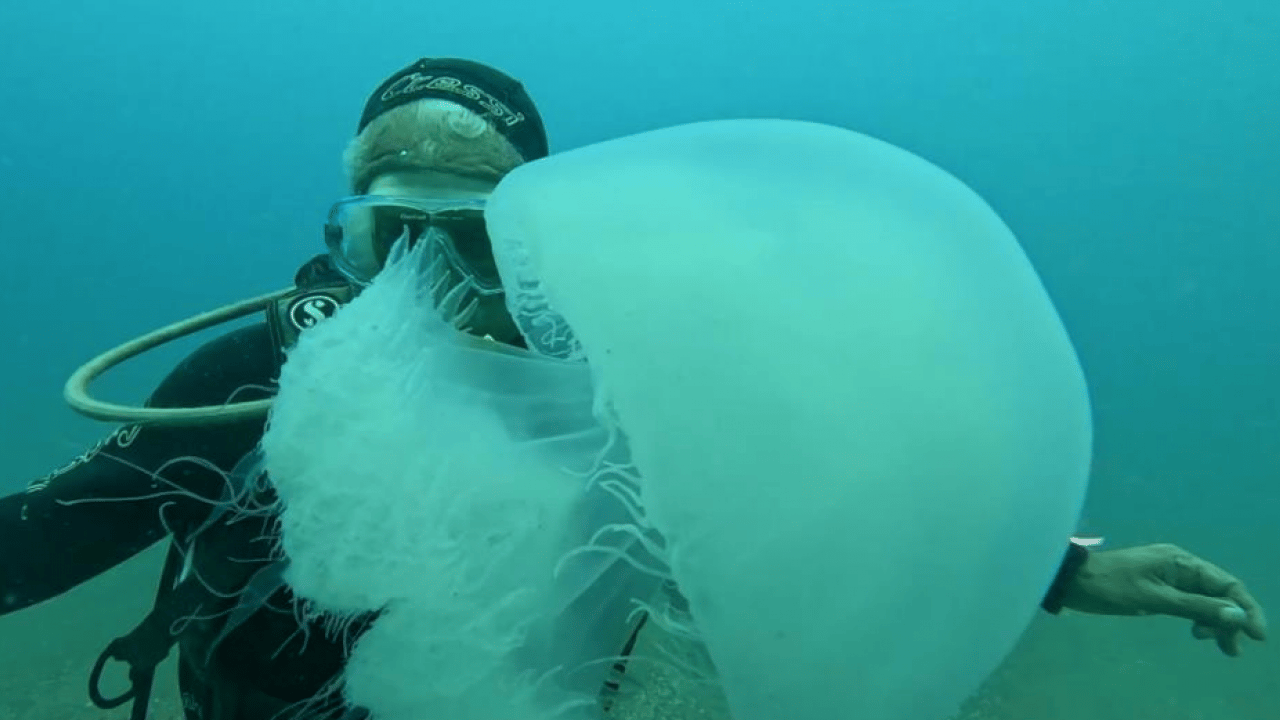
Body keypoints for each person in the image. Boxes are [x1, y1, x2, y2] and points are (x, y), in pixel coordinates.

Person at [0, 57, 1267, 720]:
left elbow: (812, 499)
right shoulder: (248, 378)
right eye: (394, 230)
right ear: (348, 234)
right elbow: (50, 536)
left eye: (475, 229)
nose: (434, 267)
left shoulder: (620, 393)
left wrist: (1054, 564)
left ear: (545, 235)